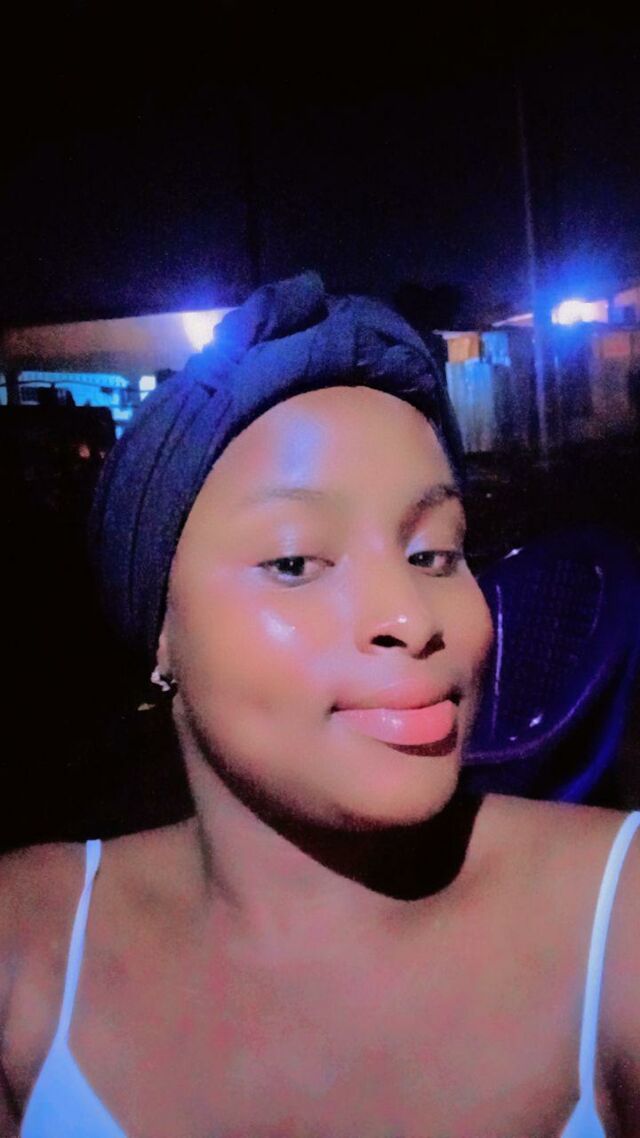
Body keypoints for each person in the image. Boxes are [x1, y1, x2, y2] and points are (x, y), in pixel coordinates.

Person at [0, 271, 638, 1137]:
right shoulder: (27, 941)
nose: (411, 619)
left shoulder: (619, 920)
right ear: (160, 634)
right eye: (296, 562)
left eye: (434, 554)